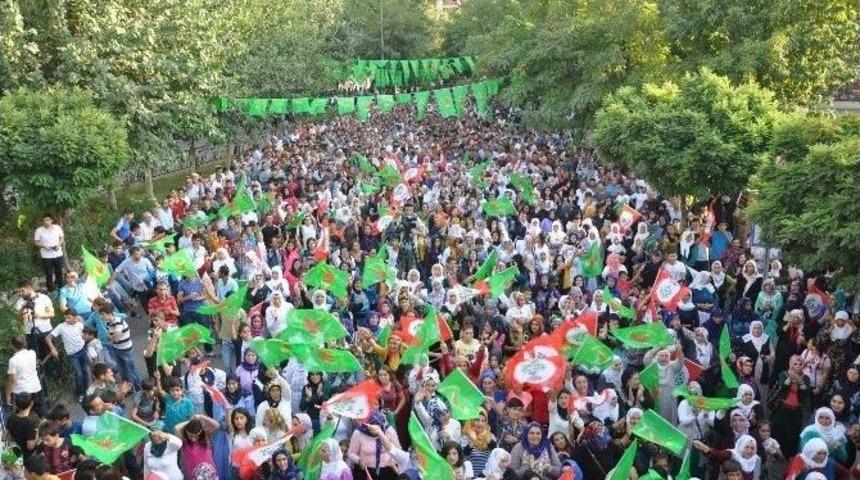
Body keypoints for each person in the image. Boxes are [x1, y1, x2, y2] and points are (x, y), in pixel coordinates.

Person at [46, 309, 88, 400]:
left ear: (75, 317)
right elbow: (48, 338)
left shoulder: (80, 325)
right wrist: (53, 349)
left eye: (69, 318)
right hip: (72, 355)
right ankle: (80, 393)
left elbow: (85, 336)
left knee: (85, 371)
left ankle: (87, 391)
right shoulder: (61, 327)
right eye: (65, 318)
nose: (66, 320)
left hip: (82, 350)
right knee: (78, 374)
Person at [5, 336, 44, 416]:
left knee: (23, 416)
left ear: (12, 346)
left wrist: (8, 395)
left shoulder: (13, 360)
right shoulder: (32, 353)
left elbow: (13, 380)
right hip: (36, 387)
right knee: (41, 414)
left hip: (22, 393)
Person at [33, 214, 64, 292]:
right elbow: (36, 242)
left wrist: (59, 244)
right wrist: (43, 246)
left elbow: (62, 237)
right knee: (49, 274)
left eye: (47, 220)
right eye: (44, 220)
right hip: (46, 256)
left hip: (58, 254)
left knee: (59, 272)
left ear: (51, 220)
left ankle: (61, 289)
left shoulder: (57, 227)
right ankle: (50, 290)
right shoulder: (39, 230)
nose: (46, 222)